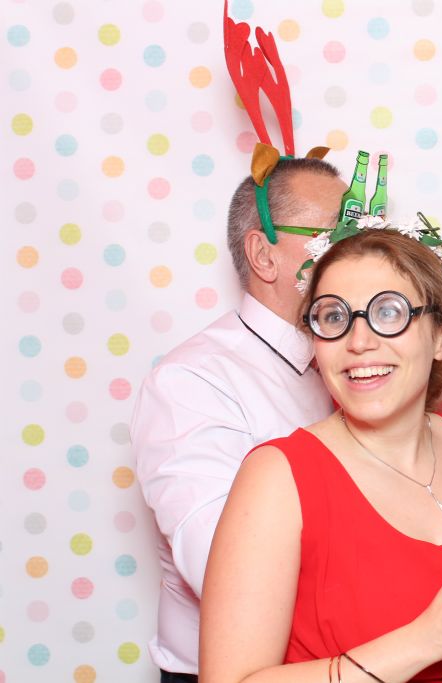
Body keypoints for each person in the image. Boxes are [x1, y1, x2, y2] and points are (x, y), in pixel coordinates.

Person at [199, 228, 442, 682]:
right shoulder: (279, 476)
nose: (358, 342)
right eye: (334, 317)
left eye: (388, 312)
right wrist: (429, 638)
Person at [131, 157, 344, 682]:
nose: (358, 251)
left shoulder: (355, 361)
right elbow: (224, 573)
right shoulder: (191, 383)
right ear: (263, 255)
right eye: (333, 236)